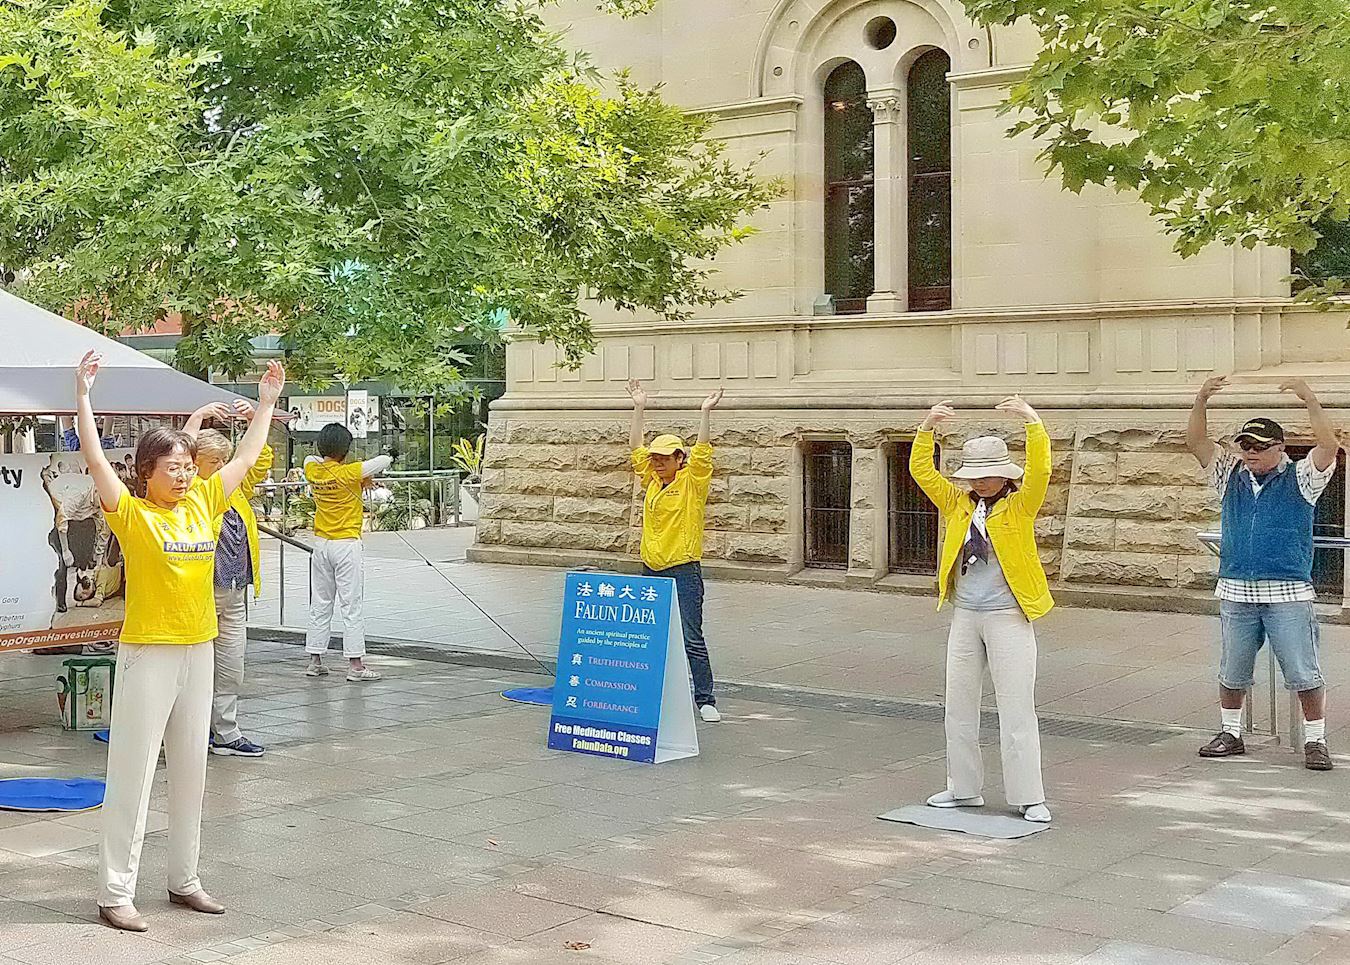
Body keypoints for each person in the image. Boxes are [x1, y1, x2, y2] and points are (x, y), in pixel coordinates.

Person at [76, 350, 285, 932]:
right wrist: (85, 398)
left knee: (193, 767)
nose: (184, 473)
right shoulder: (132, 514)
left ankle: (184, 880)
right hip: (149, 651)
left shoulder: (203, 503)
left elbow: (244, 456)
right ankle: (114, 892)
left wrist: (265, 403)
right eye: (172, 467)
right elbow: (95, 461)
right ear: (147, 472)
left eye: (187, 466)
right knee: (134, 770)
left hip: (200, 647)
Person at [910, 396, 1054, 824]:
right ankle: (963, 788)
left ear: (1004, 474)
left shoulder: (1020, 503)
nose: (984, 482)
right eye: (976, 475)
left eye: (991, 474)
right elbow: (921, 472)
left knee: (1015, 706)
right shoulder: (958, 504)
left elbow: (1042, 470)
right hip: (965, 615)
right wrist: (926, 427)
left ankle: (1029, 796)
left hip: (1008, 615)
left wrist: (1032, 422)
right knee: (958, 704)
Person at [1187, 376, 1339, 771]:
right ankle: (1231, 732)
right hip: (1237, 587)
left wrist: (1309, 398)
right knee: (1233, 669)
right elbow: (1197, 444)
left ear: (1279, 448)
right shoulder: (1230, 475)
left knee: (1304, 672)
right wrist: (1201, 398)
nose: (1250, 452)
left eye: (1259, 447)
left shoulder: (1302, 477)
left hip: (1287, 589)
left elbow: (1328, 446)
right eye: (1245, 445)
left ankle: (1316, 740)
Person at [625, 379, 724, 723]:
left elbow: (704, 451)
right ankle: (655, 693)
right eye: (655, 458)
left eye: (664, 458)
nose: (656, 463)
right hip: (651, 567)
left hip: (682, 568)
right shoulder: (652, 480)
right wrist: (639, 407)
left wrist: (705, 413)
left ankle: (705, 699)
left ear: (679, 459)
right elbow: (634, 449)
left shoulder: (692, 482)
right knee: (651, 637)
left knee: (691, 636)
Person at [184, 400, 274, 758]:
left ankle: (225, 730)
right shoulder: (191, 493)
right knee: (196, 668)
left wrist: (256, 417)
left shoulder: (234, 489)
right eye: (215, 462)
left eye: (225, 461)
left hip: (234, 591)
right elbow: (182, 454)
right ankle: (193, 730)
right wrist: (195, 418)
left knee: (231, 666)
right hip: (202, 593)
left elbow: (258, 459)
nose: (222, 467)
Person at [302, 424, 394, 680]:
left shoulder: (313, 469)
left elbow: (310, 458)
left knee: (320, 602)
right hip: (346, 544)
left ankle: (315, 660)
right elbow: (383, 460)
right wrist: (360, 475)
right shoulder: (349, 472)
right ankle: (355, 665)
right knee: (350, 605)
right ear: (346, 450)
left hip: (321, 544)